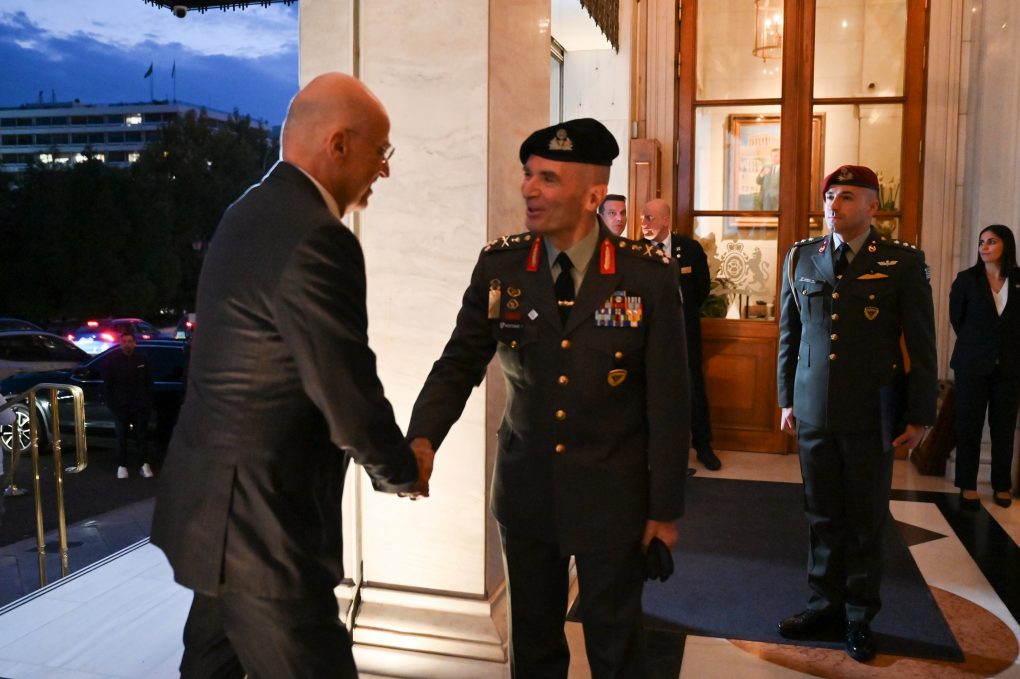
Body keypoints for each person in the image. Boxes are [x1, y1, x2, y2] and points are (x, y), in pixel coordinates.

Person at [150, 73, 429, 679]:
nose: (383, 170)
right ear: (338, 145)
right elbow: (345, 391)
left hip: (214, 513)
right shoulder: (318, 236)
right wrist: (401, 469)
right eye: (381, 151)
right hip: (265, 532)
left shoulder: (247, 210)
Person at [407, 118, 690, 678]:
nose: (529, 189)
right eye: (529, 175)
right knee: (533, 649)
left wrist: (664, 510)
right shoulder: (502, 267)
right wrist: (422, 437)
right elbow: (458, 363)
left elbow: (669, 399)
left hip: (614, 495)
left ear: (592, 196)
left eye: (548, 179)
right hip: (527, 491)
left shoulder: (646, 276)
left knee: (617, 649)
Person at [776, 164, 937, 662]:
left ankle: (859, 616)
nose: (833, 204)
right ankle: (823, 605)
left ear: (872, 206)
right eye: (830, 196)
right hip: (813, 409)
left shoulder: (902, 262)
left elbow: (922, 344)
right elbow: (790, 334)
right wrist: (786, 398)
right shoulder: (802, 256)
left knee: (865, 518)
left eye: (846, 196)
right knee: (821, 514)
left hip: (871, 412)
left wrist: (920, 414)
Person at [641, 198, 720, 471]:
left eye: (650, 217)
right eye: (643, 217)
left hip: (684, 332)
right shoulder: (636, 251)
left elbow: (701, 289)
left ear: (666, 220)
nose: (644, 223)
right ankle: (654, 450)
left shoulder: (689, 249)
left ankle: (703, 445)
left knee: (693, 389)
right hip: (648, 335)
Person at [949, 224, 1020, 510]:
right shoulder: (967, 279)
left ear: (1006, 245)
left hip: (1010, 367)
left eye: (992, 241)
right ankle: (967, 484)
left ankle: (1001, 485)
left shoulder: (1018, 279)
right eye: (981, 242)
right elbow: (958, 319)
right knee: (969, 425)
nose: (984, 247)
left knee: (1004, 426)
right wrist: (980, 344)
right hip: (972, 364)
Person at [101, 331, 154, 479]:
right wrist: (113, 406)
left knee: (141, 437)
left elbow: (149, 383)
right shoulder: (113, 361)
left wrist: (147, 403)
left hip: (140, 406)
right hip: (121, 407)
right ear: (120, 343)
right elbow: (107, 386)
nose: (127, 344)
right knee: (121, 437)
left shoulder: (142, 359)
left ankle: (144, 465)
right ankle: (122, 466)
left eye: (130, 341)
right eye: (124, 341)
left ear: (134, 343)